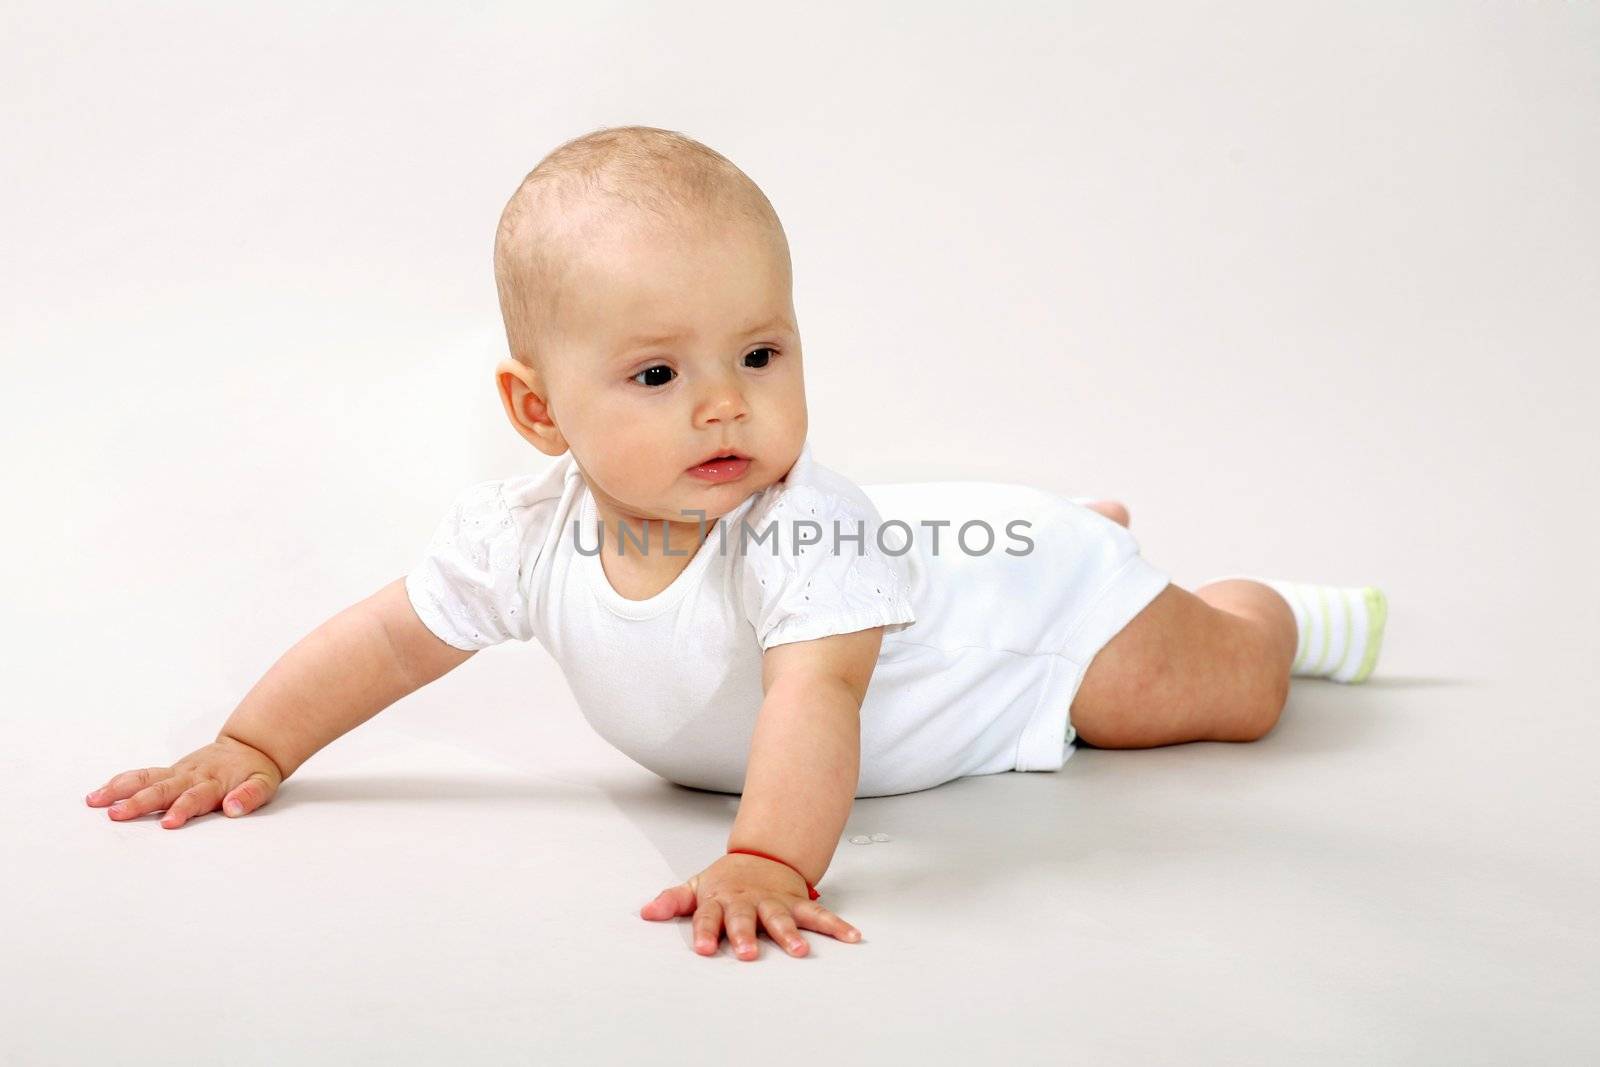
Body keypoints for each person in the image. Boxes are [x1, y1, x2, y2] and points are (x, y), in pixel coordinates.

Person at [85, 125, 1387, 962]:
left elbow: (817, 693)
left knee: (1212, 695)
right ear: (540, 413)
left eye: (760, 353)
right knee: (958, 548)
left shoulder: (797, 528)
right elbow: (386, 640)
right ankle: (1072, 535)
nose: (725, 403)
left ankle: (1250, 603)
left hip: (1026, 633)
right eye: (656, 374)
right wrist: (253, 743)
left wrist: (769, 854)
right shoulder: (527, 534)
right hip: (936, 563)